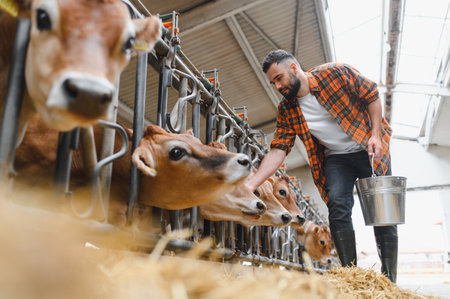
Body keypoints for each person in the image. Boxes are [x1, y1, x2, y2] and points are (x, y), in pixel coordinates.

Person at [246, 49, 398, 283]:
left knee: (383, 211)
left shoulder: (336, 73)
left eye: (279, 78)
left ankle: (389, 281)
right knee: (337, 205)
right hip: (336, 158)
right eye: (273, 82)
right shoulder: (287, 109)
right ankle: (352, 279)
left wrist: (375, 135)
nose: (277, 87)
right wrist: (252, 184)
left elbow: (371, 95)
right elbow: (278, 150)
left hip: (368, 148)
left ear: (294, 69)